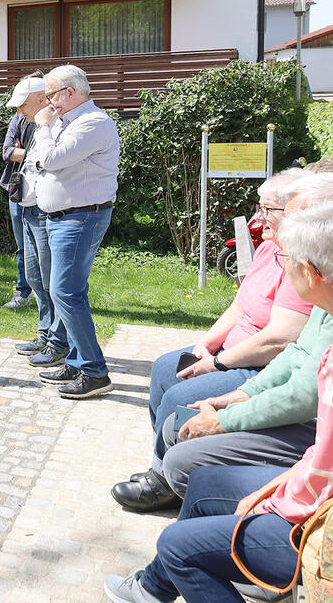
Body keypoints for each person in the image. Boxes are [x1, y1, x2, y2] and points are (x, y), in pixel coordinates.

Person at [104, 201, 333, 603]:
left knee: (179, 544)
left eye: (288, 260)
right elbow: (296, 369)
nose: (283, 264)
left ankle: (195, 567)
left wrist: (273, 499)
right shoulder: (323, 310)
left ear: (311, 273)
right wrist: (228, 399)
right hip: (312, 478)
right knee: (204, 481)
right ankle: (154, 587)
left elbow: (306, 410)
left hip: (318, 523)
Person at [113, 169, 314, 511]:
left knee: (179, 396)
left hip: (255, 364)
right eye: (259, 207)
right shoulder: (270, 248)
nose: (258, 217)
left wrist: (216, 362)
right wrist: (206, 344)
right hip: (230, 351)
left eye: (268, 210)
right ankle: (162, 465)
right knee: (165, 367)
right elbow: (240, 305)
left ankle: (170, 479)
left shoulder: (302, 262)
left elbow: (279, 339)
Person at [26, 64, 120, 400]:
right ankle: (78, 361)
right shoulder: (68, 123)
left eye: (50, 95)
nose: (46, 103)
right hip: (63, 217)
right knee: (66, 290)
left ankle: (95, 371)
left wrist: (42, 129)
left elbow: (48, 160)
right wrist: (46, 144)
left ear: (69, 92)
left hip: (80, 219)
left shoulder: (93, 123)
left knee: (66, 292)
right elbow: (43, 160)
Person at [7, 75, 68, 362]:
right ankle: (46, 333)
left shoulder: (55, 126)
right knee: (34, 277)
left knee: (49, 281)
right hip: (28, 209)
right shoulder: (28, 123)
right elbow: (10, 153)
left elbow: (47, 162)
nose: (19, 111)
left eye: (22, 105)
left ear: (40, 99)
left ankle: (58, 342)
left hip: (45, 212)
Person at [0, 88, 35, 309]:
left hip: (41, 192)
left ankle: (47, 296)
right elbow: (6, 151)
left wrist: (25, 150)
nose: (21, 107)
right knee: (22, 245)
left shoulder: (49, 119)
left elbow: (49, 154)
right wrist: (32, 152)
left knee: (42, 247)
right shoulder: (18, 118)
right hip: (17, 189)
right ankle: (23, 293)